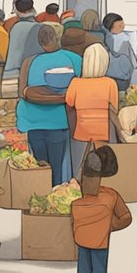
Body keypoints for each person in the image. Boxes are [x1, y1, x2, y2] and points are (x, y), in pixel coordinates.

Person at [70, 145, 132, 273]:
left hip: (82, 240)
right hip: (101, 242)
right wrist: (109, 226)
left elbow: (72, 223)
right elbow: (126, 218)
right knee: (99, 269)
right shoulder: (112, 196)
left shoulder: (76, 201)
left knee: (84, 268)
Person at [18, 26, 83, 186]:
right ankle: (54, 196)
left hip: (34, 121)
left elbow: (24, 92)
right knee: (57, 167)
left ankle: (43, 196)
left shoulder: (29, 62)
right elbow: (81, 87)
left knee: (40, 165)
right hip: (58, 122)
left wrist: (40, 93)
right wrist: (63, 97)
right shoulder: (73, 59)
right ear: (56, 38)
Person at [65, 43, 125, 181]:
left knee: (81, 169)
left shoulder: (75, 83)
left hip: (81, 132)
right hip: (104, 133)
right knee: (105, 171)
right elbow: (114, 108)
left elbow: (69, 103)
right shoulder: (110, 83)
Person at [2, 0, 40, 81]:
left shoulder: (16, 28)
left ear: (16, 8)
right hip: (35, 72)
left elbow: (14, 58)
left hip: (17, 74)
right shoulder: (39, 26)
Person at [101, 13, 137, 92]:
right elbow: (132, 59)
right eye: (120, 25)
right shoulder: (125, 40)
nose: (123, 26)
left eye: (123, 24)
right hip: (124, 76)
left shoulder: (105, 39)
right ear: (111, 27)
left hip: (108, 74)